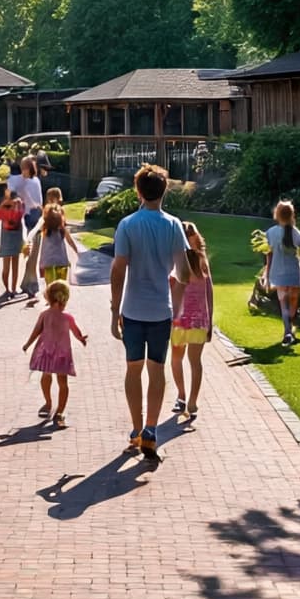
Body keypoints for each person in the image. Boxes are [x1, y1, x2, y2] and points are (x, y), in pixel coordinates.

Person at [109, 164, 190, 460]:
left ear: (138, 191)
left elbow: (118, 269)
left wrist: (113, 309)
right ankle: (151, 430)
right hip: (160, 311)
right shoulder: (173, 225)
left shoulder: (128, 225)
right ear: (164, 190)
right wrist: (177, 303)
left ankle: (135, 428)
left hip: (132, 309)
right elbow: (183, 272)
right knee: (157, 369)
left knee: (133, 368)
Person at [22, 280, 88, 428]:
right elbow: (75, 330)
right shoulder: (62, 317)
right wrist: (81, 338)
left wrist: (28, 344)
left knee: (47, 377)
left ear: (49, 297)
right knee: (61, 382)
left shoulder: (48, 315)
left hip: (50, 352)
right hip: (60, 353)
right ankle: (57, 409)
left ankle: (51, 405)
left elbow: (37, 331)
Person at [170, 221, 213, 419]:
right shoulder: (201, 260)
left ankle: (182, 396)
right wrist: (209, 319)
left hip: (180, 319)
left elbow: (170, 289)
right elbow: (209, 291)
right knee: (194, 362)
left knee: (178, 358)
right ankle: (191, 400)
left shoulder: (176, 260)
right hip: (197, 319)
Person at [264, 199, 300, 348]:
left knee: (284, 304)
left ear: (277, 214)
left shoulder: (271, 232)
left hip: (278, 271)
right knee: (293, 301)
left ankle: (287, 332)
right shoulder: (296, 233)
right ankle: (290, 332)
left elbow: (268, 253)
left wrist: (267, 274)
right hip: (294, 271)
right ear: (292, 215)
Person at [38, 205, 79, 294]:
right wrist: (77, 251)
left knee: (51, 286)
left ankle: (52, 303)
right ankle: (60, 302)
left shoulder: (44, 230)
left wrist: (40, 265)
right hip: (62, 263)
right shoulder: (62, 230)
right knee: (61, 287)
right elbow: (70, 241)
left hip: (48, 263)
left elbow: (42, 250)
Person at [0, 187, 26, 299]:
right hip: (13, 235)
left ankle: (9, 289)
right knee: (12, 265)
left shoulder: (11, 205)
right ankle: (11, 289)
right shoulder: (17, 204)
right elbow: (21, 214)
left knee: (9, 265)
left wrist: (4, 204)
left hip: (9, 235)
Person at [7, 156, 43, 233]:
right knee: (35, 236)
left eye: (23, 169)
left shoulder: (26, 182)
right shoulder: (36, 180)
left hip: (31, 212)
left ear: (27, 169)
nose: (22, 171)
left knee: (29, 236)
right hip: (37, 211)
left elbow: (19, 194)